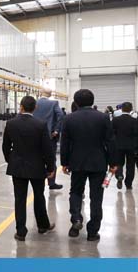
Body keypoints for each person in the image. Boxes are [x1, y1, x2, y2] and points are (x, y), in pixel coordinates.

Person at [60, 89, 117, 241]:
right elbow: (110, 141)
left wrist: (64, 162)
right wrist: (113, 163)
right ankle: (92, 232)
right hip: (99, 162)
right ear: (92, 101)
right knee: (96, 197)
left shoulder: (69, 118)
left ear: (76, 102)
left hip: (77, 162)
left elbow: (65, 142)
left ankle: (76, 219)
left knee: (76, 192)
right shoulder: (103, 117)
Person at [2, 96, 56, 241]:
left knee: (19, 199)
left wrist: (10, 160)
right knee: (39, 196)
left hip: (17, 167)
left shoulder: (11, 123)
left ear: (21, 106)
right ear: (35, 108)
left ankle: (20, 231)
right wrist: (50, 167)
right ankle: (43, 225)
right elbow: (47, 149)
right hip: (37, 167)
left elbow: (5, 146)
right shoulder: (41, 125)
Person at [33, 88, 64, 190]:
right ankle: (51, 182)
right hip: (50, 136)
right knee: (51, 158)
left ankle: (38, 183)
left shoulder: (34, 103)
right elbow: (61, 115)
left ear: (41, 93)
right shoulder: (54, 103)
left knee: (37, 158)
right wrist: (56, 130)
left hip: (35, 135)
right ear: (50, 95)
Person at [112, 102, 137, 190]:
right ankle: (128, 183)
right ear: (131, 109)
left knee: (118, 163)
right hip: (131, 146)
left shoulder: (115, 120)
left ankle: (119, 175)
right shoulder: (135, 121)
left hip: (118, 145)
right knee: (130, 165)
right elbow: (136, 135)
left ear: (121, 109)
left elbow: (112, 133)